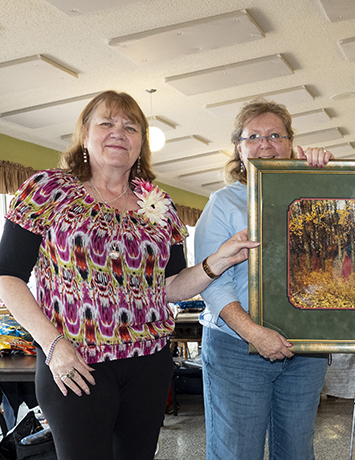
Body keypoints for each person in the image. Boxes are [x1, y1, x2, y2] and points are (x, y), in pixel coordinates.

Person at [0, 91, 256, 460]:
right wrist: (52, 346)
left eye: (130, 127)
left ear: (141, 144)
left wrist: (218, 261)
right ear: (84, 135)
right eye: (106, 123)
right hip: (75, 361)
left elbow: (170, 287)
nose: (118, 132)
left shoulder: (161, 205)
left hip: (148, 364)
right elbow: (8, 274)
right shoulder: (48, 189)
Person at [195, 100, 334, 460]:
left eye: (275, 135)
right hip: (236, 346)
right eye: (253, 136)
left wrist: (327, 177)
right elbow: (211, 281)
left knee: (296, 451)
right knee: (236, 451)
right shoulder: (223, 203)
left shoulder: (315, 195)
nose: (265, 144)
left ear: (290, 144)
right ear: (239, 150)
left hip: (305, 349)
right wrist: (254, 333)